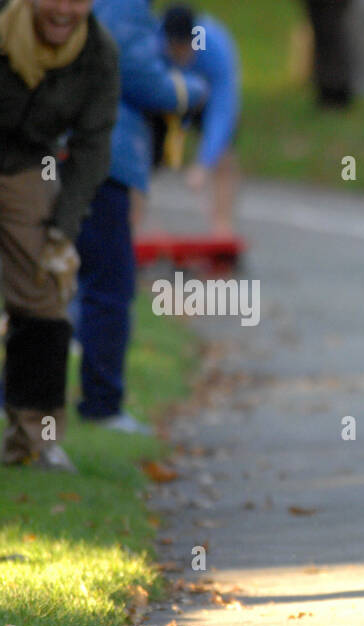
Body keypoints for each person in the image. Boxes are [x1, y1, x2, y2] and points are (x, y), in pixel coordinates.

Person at [71, 0, 207, 436]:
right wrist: (191, 91)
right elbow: (140, 78)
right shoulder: (125, 8)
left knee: (43, 280)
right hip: (101, 156)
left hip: (67, 151)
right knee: (108, 286)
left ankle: (18, 398)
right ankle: (102, 404)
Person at [1, 0, 119, 471]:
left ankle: (35, 441)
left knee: (47, 296)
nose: (65, 9)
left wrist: (61, 232)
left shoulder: (97, 53)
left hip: (30, 166)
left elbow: (92, 149)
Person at [160, 4, 239, 235]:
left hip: (207, 99)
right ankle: (133, 222)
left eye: (184, 47)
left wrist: (204, 164)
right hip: (167, 92)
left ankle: (222, 226)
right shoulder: (154, 44)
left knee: (225, 153)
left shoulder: (214, 46)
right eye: (174, 47)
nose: (180, 53)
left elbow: (223, 111)